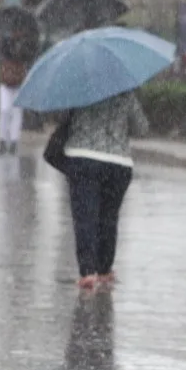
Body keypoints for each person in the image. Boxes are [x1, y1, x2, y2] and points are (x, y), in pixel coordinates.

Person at [62, 91, 149, 292]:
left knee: (85, 218)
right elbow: (142, 128)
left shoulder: (79, 90)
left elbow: (62, 118)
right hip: (118, 163)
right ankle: (104, 269)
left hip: (83, 158)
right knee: (109, 218)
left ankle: (88, 272)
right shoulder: (125, 94)